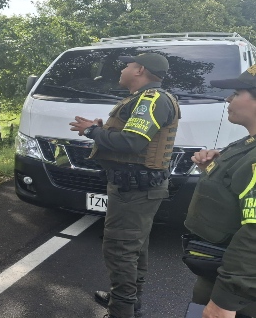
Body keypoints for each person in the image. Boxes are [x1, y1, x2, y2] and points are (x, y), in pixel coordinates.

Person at [69, 53, 181, 318]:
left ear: (140, 70)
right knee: (134, 247)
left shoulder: (151, 100)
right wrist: (101, 130)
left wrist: (92, 131)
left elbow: (132, 142)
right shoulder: (145, 98)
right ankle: (129, 301)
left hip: (135, 190)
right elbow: (131, 137)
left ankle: (121, 310)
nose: (122, 70)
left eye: (127, 66)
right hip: (135, 187)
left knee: (120, 249)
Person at [183, 65, 256, 318]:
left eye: (236, 93)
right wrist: (213, 169)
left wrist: (224, 302)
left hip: (240, 293)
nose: (228, 99)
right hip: (223, 273)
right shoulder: (247, 144)